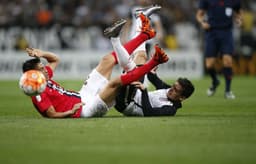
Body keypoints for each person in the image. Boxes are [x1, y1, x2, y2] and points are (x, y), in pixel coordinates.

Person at [21, 10, 169, 118]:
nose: (45, 70)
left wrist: (42, 54)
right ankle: (153, 59)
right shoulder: (38, 92)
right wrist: (70, 113)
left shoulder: (44, 78)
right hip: (86, 110)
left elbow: (55, 59)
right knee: (115, 82)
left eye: (43, 67)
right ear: (33, 75)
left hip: (83, 95)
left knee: (107, 60)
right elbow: (51, 114)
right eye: (41, 69)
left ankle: (145, 36)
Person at [112, 12, 195, 117]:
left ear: (182, 98)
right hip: (132, 94)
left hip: (127, 104)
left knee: (135, 67)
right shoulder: (168, 89)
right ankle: (139, 20)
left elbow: (148, 112)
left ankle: (117, 38)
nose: (171, 89)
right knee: (140, 57)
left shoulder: (170, 109)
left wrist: (144, 91)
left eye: (176, 90)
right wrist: (152, 71)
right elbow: (152, 77)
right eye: (174, 86)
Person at [196, 0, 243, 99]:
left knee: (228, 61)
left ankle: (228, 90)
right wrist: (202, 22)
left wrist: (239, 19)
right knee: (209, 64)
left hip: (227, 33)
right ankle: (215, 81)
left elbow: (239, 12)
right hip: (211, 33)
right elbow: (199, 15)